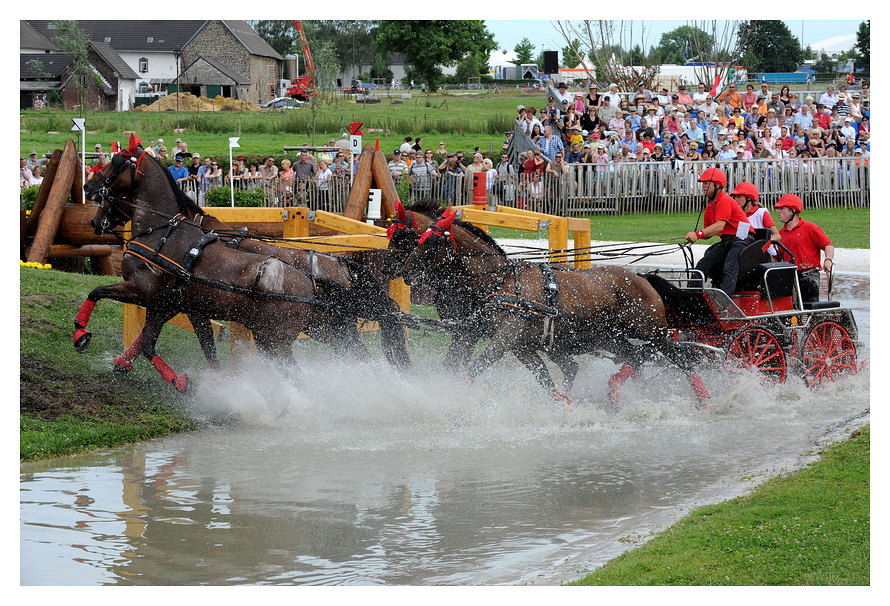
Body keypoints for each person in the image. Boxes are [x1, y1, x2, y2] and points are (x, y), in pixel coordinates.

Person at [684, 167, 754, 295]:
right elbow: (708, 233)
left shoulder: (725, 200)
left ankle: (724, 300)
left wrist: (698, 234)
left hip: (743, 241)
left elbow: (719, 226)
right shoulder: (710, 206)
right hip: (728, 242)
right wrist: (695, 236)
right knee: (702, 265)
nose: (703, 186)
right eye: (702, 184)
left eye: (706, 183)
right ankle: (691, 297)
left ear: (717, 185)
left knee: (730, 268)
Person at [773, 194, 834, 303]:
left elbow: (827, 245)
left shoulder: (809, 228)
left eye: (782, 208)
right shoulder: (780, 234)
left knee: (809, 307)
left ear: (792, 211)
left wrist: (828, 260)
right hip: (790, 278)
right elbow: (775, 259)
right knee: (790, 310)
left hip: (809, 275)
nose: (778, 211)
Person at [729, 181, 780, 255]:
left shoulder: (761, 213)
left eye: (739, 197)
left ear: (749, 198)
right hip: (742, 252)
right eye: (735, 197)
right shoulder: (736, 216)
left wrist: (762, 244)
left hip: (763, 254)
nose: (735, 200)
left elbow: (777, 235)